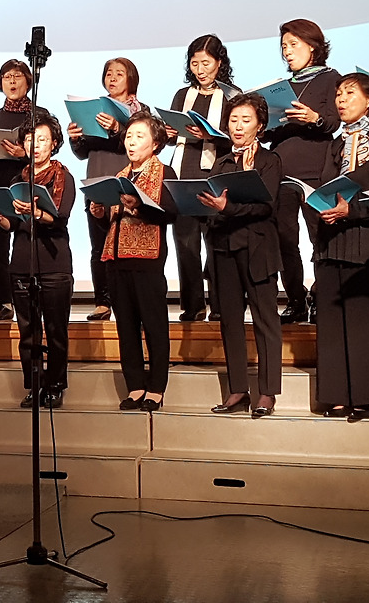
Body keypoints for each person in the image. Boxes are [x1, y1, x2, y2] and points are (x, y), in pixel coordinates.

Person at [312, 73, 369, 421]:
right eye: (338, 94)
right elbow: (325, 184)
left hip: (367, 241)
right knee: (331, 321)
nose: (341, 99)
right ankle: (335, 395)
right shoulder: (335, 144)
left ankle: (365, 396)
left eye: (349, 93)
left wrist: (354, 211)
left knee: (364, 322)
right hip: (333, 240)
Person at [199, 93, 283, 417]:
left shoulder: (269, 160)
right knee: (230, 321)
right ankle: (238, 390)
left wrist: (229, 208)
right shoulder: (221, 163)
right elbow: (213, 207)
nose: (238, 126)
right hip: (224, 249)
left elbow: (266, 206)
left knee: (265, 321)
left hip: (258, 248)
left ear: (259, 125)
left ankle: (267, 393)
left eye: (246, 120)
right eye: (233, 119)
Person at [89, 112, 176, 411]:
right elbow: (112, 223)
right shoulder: (120, 176)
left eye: (140, 136)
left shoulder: (165, 172)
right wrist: (99, 213)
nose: (132, 142)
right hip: (116, 258)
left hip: (147, 260)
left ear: (155, 143)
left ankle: (157, 387)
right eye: (129, 136)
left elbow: (170, 213)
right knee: (126, 326)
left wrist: (139, 206)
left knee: (153, 325)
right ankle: (136, 385)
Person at [0, 112, 74, 408]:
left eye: (42, 140)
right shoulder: (17, 179)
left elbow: (60, 218)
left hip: (54, 263)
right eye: (29, 140)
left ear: (54, 143)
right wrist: (1, 218)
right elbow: (14, 224)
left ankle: (56, 385)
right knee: (28, 332)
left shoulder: (63, 176)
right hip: (22, 262)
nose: (35, 145)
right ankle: (34, 385)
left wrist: (37, 212)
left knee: (56, 330)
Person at [263, 19, 341, 325]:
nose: (287, 51)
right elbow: (270, 133)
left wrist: (314, 118)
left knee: (319, 237)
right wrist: (265, 124)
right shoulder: (281, 88)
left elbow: (334, 121)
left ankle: (321, 295)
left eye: (293, 44)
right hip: (281, 170)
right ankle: (295, 298)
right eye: (284, 46)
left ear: (313, 46)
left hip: (316, 171)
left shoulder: (330, 78)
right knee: (285, 238)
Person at [166, 35, 243, 322]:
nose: (200, 69)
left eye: (206, 63)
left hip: (216, 175)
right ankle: (193, 305)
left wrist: (209, 135)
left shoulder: (232, 95)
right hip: (183, 175)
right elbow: (172, 135)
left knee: (217, 245)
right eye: (194, 63)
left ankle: (221, 305)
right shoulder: (181, 95)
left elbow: (239, 137)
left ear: (219, 63)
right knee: (186, 245)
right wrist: (169, 133)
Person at [69, 57, 151, 322]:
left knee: (128, 245)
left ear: (131, 79)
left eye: (119, 73)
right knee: (98, 247)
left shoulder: (141, 113)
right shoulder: (95, 110)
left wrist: (118, 128)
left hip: (128, 184)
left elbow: (139, 146)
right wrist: (75, 138)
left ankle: (131, 301)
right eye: (108, 74)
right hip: (96, 182)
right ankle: (102, 302)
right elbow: (83, 153)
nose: (112, 78)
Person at [0, 59, 45, 323]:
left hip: (28, 186)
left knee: (27, 242)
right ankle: (3, 302)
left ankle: (30, 299)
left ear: (28, 81)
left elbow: (49, 150)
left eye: (17, 76)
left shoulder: (39, 114)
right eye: (7, 77)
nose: (12, 81)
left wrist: (24, 153)